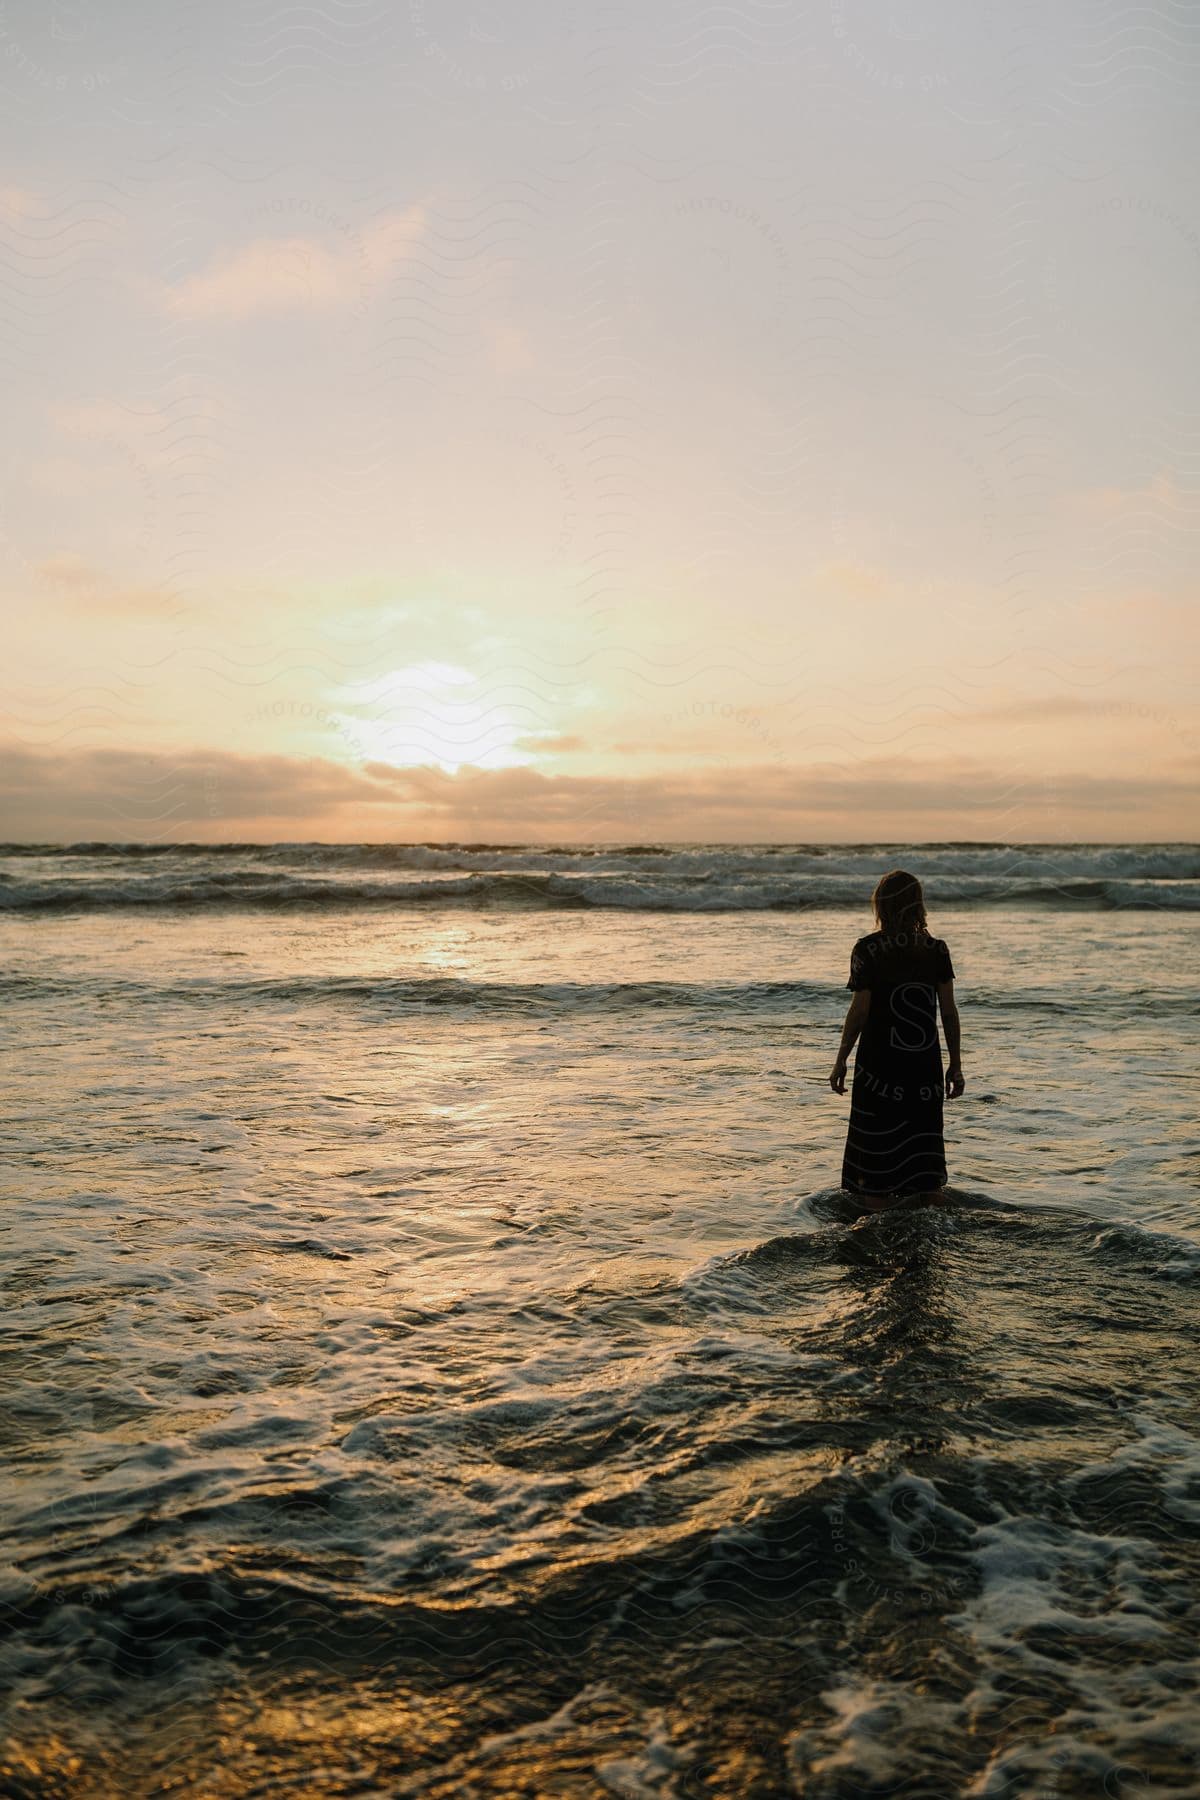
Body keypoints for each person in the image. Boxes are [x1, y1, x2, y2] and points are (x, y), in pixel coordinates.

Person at [829, 870, 964, 1209]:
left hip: (879, 1065)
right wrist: (956, 1065)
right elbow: (948, 1012)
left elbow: (860, 1011)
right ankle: (930, 1238)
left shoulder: (867, 950)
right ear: (918, 905)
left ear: (882, 905)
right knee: (925, 1167)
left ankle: (875, 1233)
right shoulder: (936, 950)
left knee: (875, 1170)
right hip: (924, 1064)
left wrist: (840, 1059)